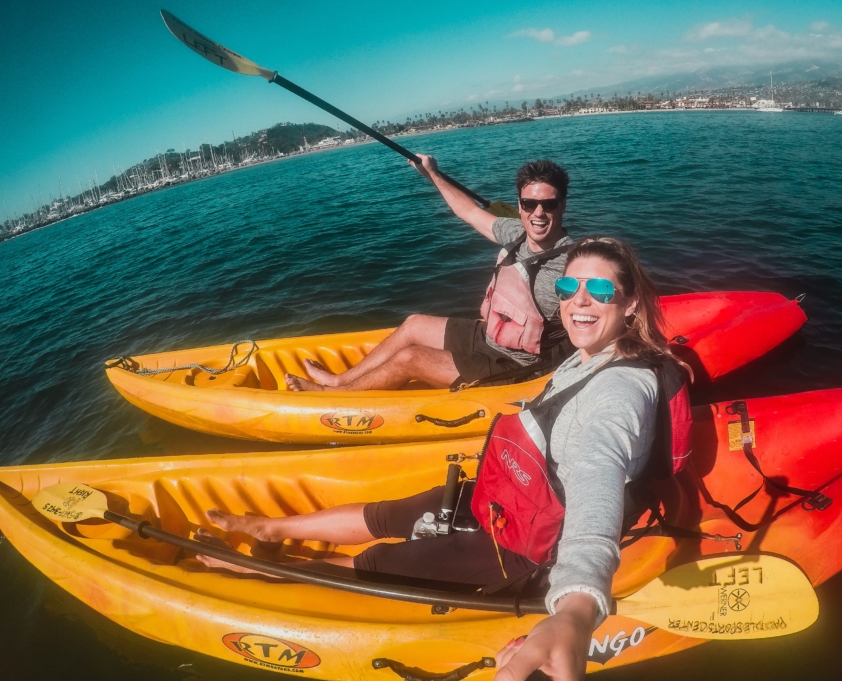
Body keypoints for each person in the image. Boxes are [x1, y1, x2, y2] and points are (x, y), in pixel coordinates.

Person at [198, 237, 687, 681]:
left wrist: (576, 611)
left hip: (523, 545)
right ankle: (271, 529)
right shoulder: (588, 354)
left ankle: (257, 571)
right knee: (390, 513)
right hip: (506, 495)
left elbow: (595, 487)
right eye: (568, 286)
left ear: (630, 303)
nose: (579, 299)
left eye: (599, 289)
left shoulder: (620, 390)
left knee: (381, 562)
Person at [286, 153, 575, 392]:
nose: (538, 213)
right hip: (488, 337)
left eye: (548, 204)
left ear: (562, 205)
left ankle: (334, 394)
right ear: (520, 206)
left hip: (515, 366)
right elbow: (469, 212)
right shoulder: (515, 232)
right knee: (414, 324)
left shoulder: (574, 265)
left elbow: (600, 314)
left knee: (410, 358)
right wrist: (432, 175)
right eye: (529, 203)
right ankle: (339, 379)